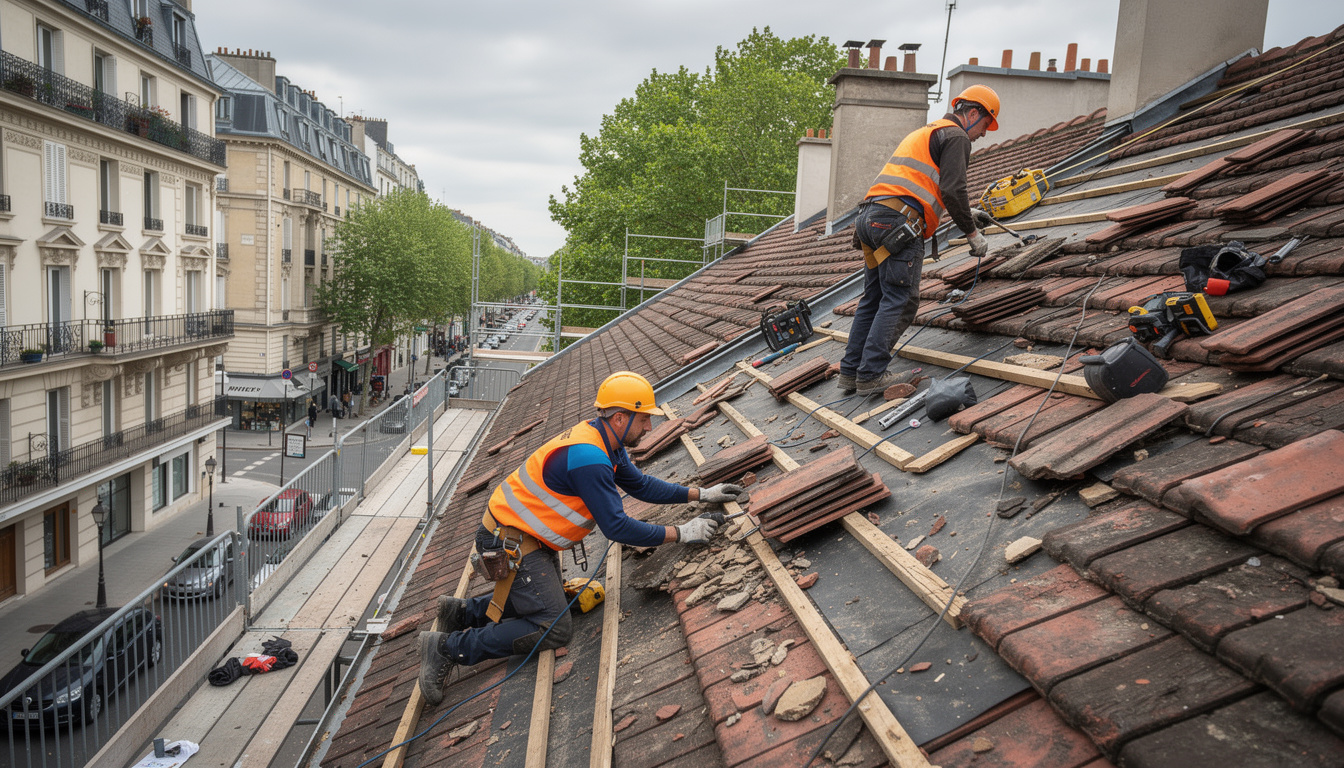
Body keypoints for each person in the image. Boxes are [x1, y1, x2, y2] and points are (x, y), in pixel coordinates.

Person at [417, 371, 744, 705]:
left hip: (519, 537)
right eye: (644, 419)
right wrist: (682, 533)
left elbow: (641, 486)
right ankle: (446, 649)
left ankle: (459, 613)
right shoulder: (590, 458)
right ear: (620, 417)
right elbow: (616, 527)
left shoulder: (605, 441)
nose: (649, 427)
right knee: (553, 626)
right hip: (510, 542)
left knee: (549, 600)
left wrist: (701, 494)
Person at [838, 84, 1002, 395]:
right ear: (972, 114)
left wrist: (970, 211)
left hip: (872, 219)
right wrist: (971, 233)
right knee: (900, 299)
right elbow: (954, 189)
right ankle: (871, 374)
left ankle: (850, 372)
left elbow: (926, 187)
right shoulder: (957, 137)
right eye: (984, 126)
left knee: (873, 299)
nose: (982, 134)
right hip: (898, 225)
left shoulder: (928, 131)